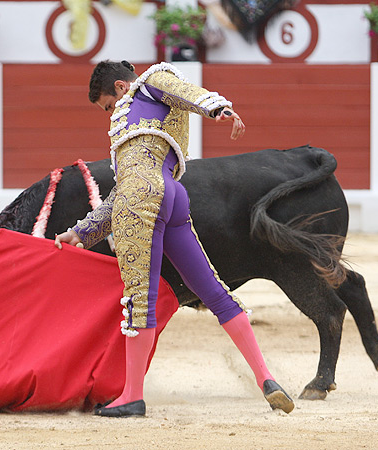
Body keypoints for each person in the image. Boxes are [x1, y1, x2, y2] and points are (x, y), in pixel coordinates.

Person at [55, 60, 294, 417]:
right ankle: (266, 378)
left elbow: (183, 93)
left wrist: (219, 109)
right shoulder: (145, 110)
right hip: (171, 194)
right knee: (213, 289)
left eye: (108, 105)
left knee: (139, 297)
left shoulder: (149, 82)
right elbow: (123, 192)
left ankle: (132, 396)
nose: (110, 114)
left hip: (142, 199)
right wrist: (81, 232)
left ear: (120, 87)